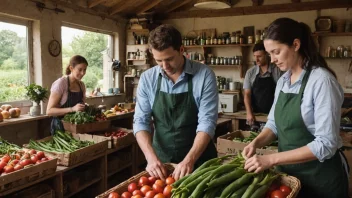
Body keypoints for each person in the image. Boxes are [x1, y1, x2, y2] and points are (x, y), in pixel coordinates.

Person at [242, 18, 349, 198]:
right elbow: (274, 124)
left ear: (296, 44)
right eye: (269, 54)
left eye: (276, 52)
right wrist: (256, 142)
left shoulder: (321, 81)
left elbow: (326, 144)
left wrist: (271, 158)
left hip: (321, 178)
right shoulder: (284, 80)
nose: (273, 59)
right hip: (289, 177)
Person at [133, 24, 218, 181]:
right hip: (161, 161)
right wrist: (151, 158)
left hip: (199, 160)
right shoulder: (147, 78)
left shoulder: (205, 75)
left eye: (169, 59)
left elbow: (207, 122)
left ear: (181, 50)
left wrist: (189, 160)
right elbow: (141, 121)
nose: (165, 66)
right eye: (159, 60)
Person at [243, 42, 281, 126]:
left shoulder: (277, 71)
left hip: (274, 114)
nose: (256, 60)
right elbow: (247, 94)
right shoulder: (250, 73)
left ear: (267, 55)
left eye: (259, 56)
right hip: (256, 115)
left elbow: (281, 93)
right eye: (255, 56)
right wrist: (249, 113)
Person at [47, 55, 88, 134]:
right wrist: (72, 109)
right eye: (79, 69)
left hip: (76, 128)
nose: (83, 73)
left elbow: (81, 106)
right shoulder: (61, 84)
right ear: (71, 68)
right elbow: (49, 111)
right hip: (60, 128)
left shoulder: (81, 85)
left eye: (85, 70)